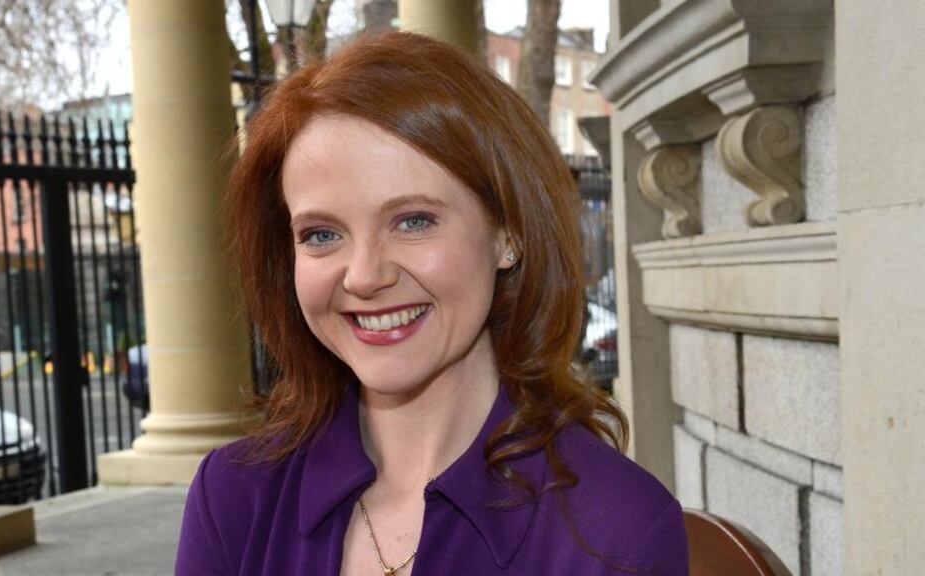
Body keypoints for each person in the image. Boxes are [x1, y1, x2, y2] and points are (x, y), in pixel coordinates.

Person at [176, 31, 687, 575]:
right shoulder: (234, 499)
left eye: (413, 221)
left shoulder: (613, 534)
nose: (366, 276)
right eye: (322, 234)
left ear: (508, 234)